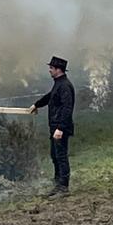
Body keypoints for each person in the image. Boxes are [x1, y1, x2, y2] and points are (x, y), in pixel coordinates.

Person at [31, 55, 76, 196]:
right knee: (55, 156)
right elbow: (49, 97)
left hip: (60, 128)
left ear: (58, 70)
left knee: (61, 156)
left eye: (51, 68)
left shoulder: (65, 86)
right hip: (55, 127)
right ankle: (57, 184)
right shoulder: (58, 83)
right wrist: (36, 104)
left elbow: (67, 108)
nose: (49, 70)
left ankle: (64, 187)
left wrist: (60, 128)